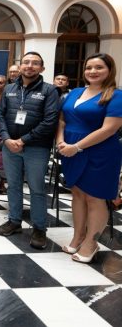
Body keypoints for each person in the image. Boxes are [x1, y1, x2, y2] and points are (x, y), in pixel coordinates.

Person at [56, 53, 122, 263]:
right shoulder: (75, 92)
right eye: (89, 67)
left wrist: (77, 147)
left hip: (99, 152)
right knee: (77, 194)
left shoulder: (116, 96)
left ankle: (91, 243)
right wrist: (61, 141)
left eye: (99, 67)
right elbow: (62, 120)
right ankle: (78, 236)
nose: (93, 71)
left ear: (109, 70)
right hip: (69, 150)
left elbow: (109, 129)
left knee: (95, 197)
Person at [0, 51, 59, 249]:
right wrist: (6, 139)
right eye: (26, 62)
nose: (30, 66)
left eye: (35, 63)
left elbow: (50, 121)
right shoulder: (9, 89)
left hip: (36, 148)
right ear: (20, 66)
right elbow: (1, 116)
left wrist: (23, 140)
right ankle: (14, 221)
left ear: (42, 68)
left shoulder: (49, 90)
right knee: (13, 185)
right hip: (10, 146)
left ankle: (39, 228)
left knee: (36, 188)